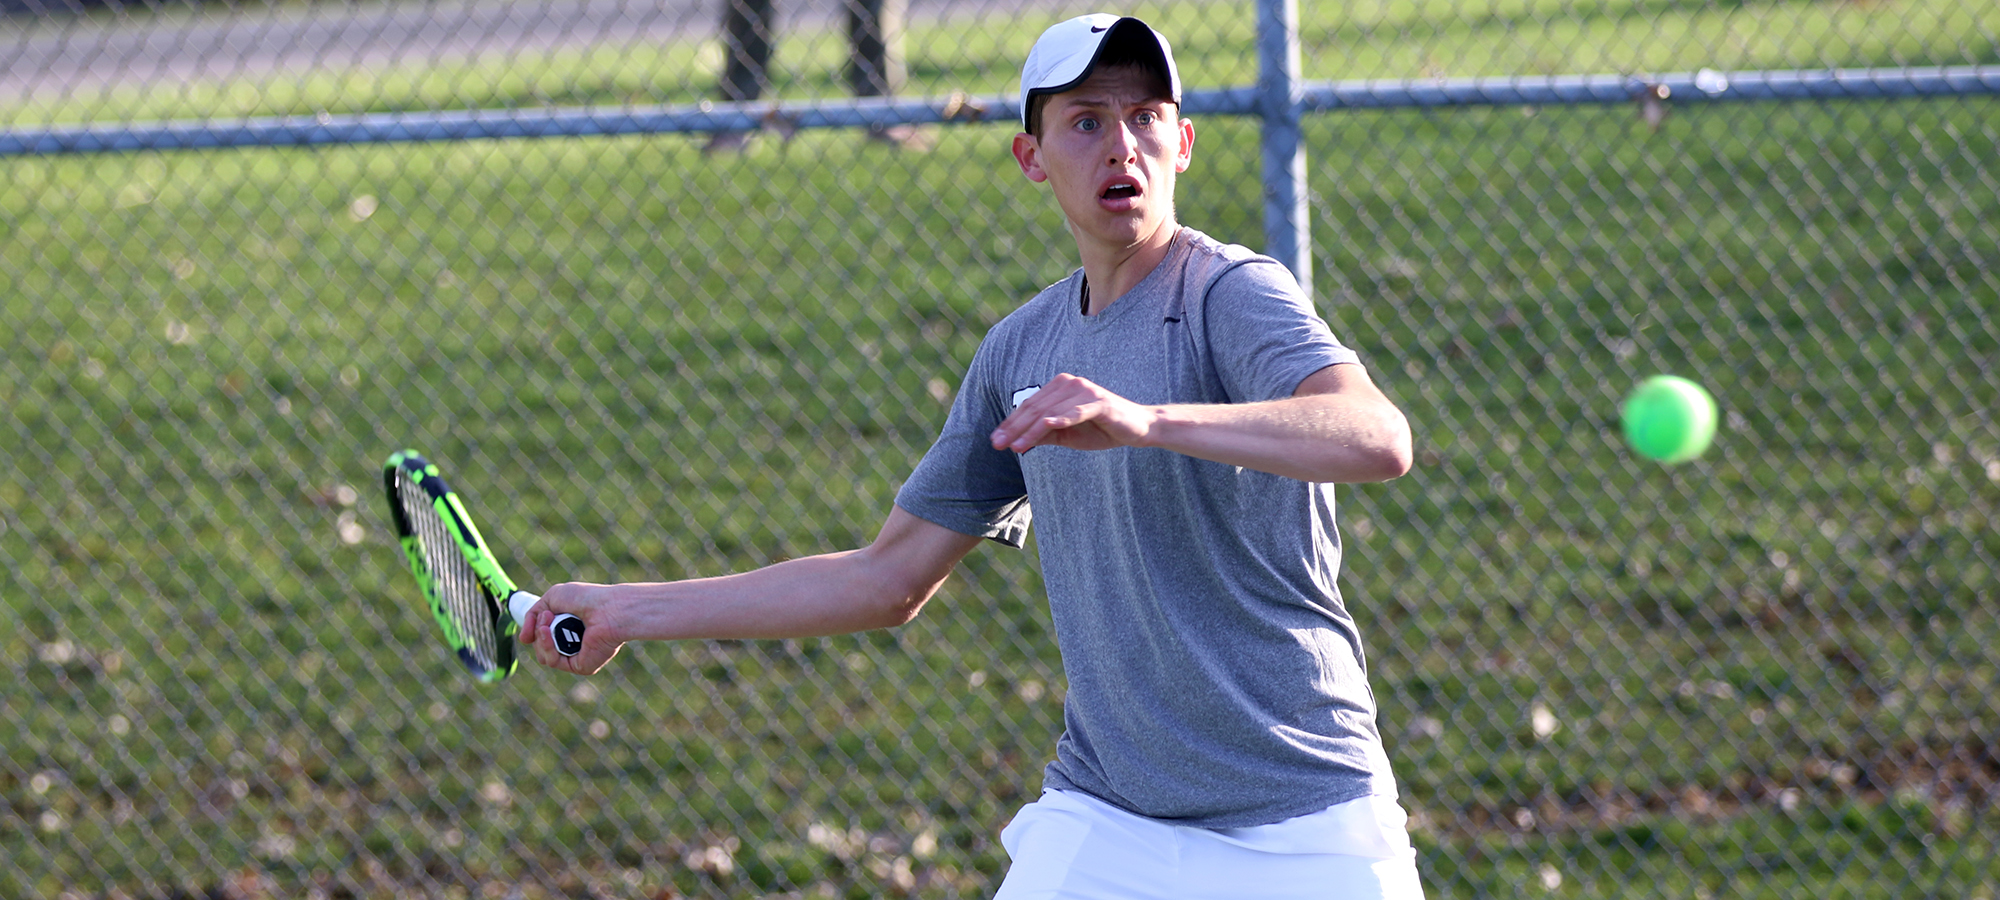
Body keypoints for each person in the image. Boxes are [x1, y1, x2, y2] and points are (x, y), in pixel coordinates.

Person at [524, 13, 1425, 898]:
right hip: (1112, 816)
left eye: (1145, 117)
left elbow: (1377, 437)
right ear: (1032, 159)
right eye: (1085, 122)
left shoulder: (1232, 294)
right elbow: (886, 578)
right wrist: (629, 611)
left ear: (1182, 143)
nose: (1122, 146)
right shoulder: (1019, 352)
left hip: (1306, 816)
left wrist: (1147, 421)